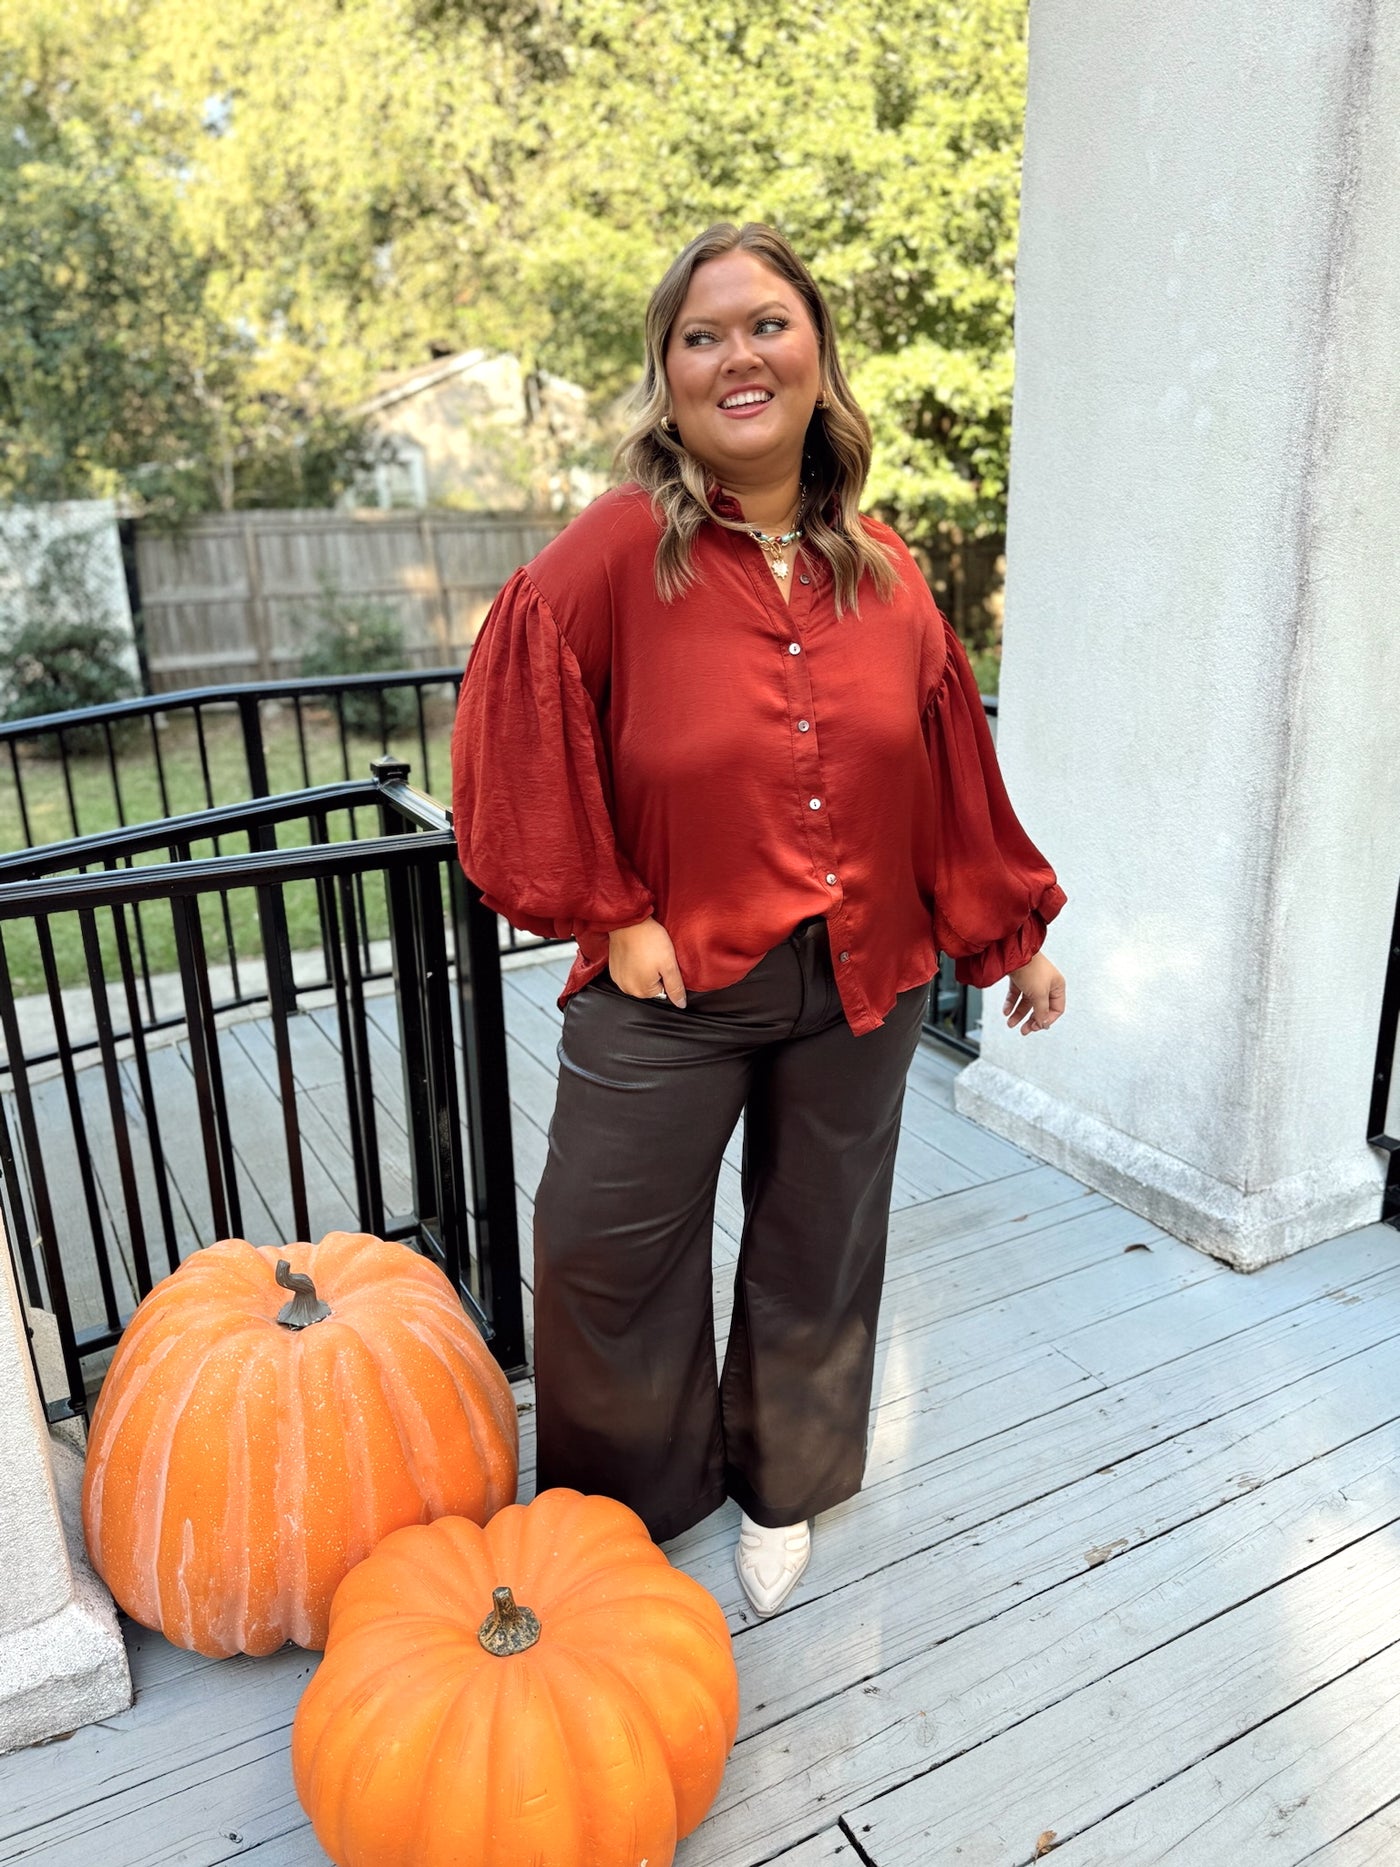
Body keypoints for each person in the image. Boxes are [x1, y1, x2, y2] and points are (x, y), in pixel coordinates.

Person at [450, 220, 1067, 1617]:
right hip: (672, 993)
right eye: (702, 334)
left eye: (767, 324)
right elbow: (516, 739)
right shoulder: (614, 559)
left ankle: (783, 1487)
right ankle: (625, 1522)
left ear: (817, 356)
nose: (739, 354)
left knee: (817, 1243)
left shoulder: (887, 573)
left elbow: (946, 771)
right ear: (668, 378)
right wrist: (609, 913)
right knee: (603, 1251)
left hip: (864, 986)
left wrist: (1011, 931)